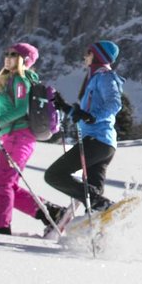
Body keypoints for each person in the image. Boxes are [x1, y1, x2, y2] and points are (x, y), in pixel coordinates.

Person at [0, 42, 66, 235]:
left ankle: (0, 228)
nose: (7, 57)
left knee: (1, 185)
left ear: (24, 60)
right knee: (8, 186)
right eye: (6, 53)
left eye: (13, 54)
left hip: (19, 137)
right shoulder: (11, 81)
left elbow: (21, 108)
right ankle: (53, 213)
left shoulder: (21, 80)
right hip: (14, 138)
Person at [46, 40, 124, 214]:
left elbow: (115, 103)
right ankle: (97, 231)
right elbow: (85, 115)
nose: (85, 56)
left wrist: (92, 116)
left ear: (98, 56)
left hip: (96, 142)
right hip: (102, 144)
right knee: (93, 199)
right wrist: (65, 107)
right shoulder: (95, 79)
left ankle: (104, 206)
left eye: (88, 52)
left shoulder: (105, 76)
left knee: (54, 175)